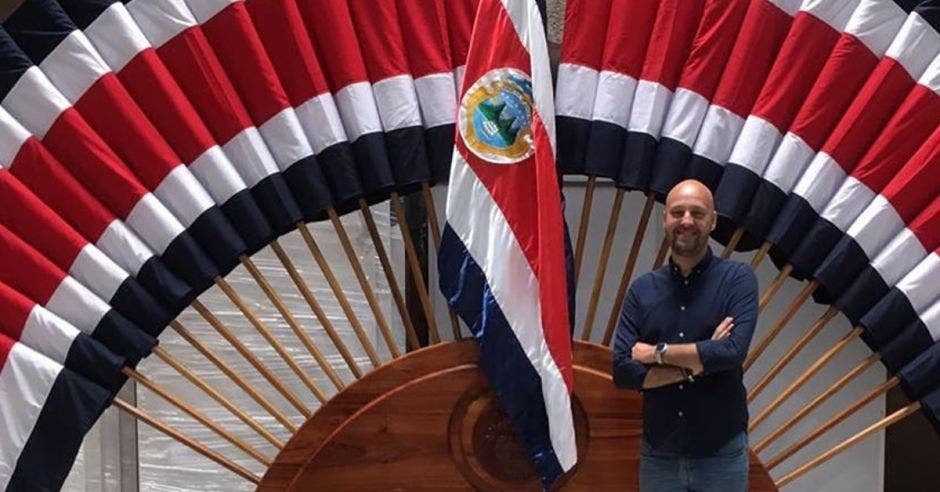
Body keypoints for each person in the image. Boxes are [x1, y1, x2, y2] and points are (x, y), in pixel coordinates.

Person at [612, 179, 758, 491]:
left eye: (697, 212)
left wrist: (655, 354)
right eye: (678, 212)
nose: (687, 221)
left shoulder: (738, 279)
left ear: (713, 221)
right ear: (666, 219)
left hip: (721, 454)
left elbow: (732, 351)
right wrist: (700, 361)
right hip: (659, 454)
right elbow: (623, 371)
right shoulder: (642, 290)